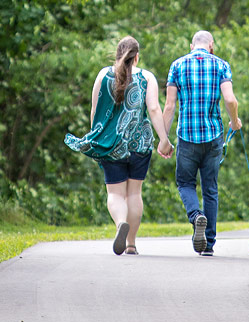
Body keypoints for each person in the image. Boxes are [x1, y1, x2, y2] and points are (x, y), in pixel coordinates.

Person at [65, 35, 174, 255]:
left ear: (118, 54)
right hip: (139, 144)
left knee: (115, 194)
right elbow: (153, 110)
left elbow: (95, 110)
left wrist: (96, 137)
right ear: (137, 57)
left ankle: (120, 224)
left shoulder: (103, 75)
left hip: (111, 144)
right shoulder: (147, 77)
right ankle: (131, 243)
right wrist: (164, 139)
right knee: (134, 194)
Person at [162, 29, 242, 257]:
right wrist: (234, 122)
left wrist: (164, 139)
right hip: (213, 136)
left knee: (185, 183)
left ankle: (196, 216)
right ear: (211, 45)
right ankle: (208, 244)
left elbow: (169, 107)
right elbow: (229, 99)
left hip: (187, 137)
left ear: (191, 45)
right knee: (210, 189)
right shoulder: (221, 65)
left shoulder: (177, 66)